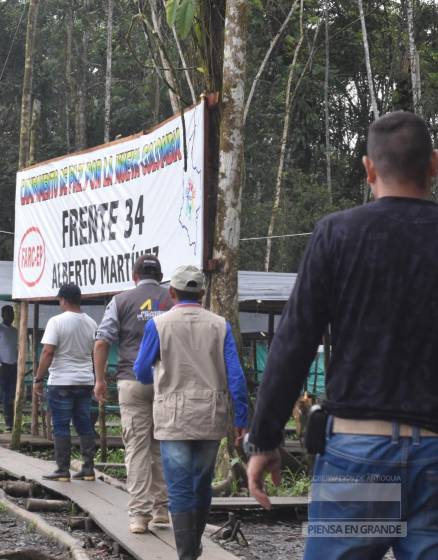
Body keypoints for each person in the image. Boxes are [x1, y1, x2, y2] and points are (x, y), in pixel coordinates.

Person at [246, 111, 438, 559]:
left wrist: (265, 438)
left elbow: (293, 342)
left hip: (358, 462)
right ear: (433, 164)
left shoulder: (338, 234)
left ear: (369, 169)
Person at [132, 265, 249, 560]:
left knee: (179, 486)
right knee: (201, 483)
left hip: (173, 417)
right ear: (203, 293)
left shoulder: (158, 325)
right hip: (211, 415)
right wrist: (242, 419)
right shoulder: (220, 325)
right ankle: (193, 546)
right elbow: (236, 377)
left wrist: (160, 376)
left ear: (172, 292)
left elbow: (140, 371)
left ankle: (186, 554)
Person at [93, 255, 172, 533]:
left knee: (136, 448)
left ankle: (139, 515)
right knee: (162, 445)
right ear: (161, 276)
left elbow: (102, 341)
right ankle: (162, 510)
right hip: (168, 382)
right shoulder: (172, 299)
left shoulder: (121, 300)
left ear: (134, 275)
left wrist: (100, 379)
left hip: (132, 380)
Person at [34, 283, 98, 482]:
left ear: (63, 299)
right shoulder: (91, 323)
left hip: (61, 381)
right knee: (84, 424)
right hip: (85, 380)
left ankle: (62, 469)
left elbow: (48, 351)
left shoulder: (56, 322)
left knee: (60, 425)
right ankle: (88, 469)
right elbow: (95, 351)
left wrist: (38, 378)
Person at [0, 305, 19, 433]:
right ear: (2, 315)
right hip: (0, 366)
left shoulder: (15, 331)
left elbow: (18, 348)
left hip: (13, 366)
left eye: (12, 313)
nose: (11, 316)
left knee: (10, 396)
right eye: (8, 313)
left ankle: (9, 424)